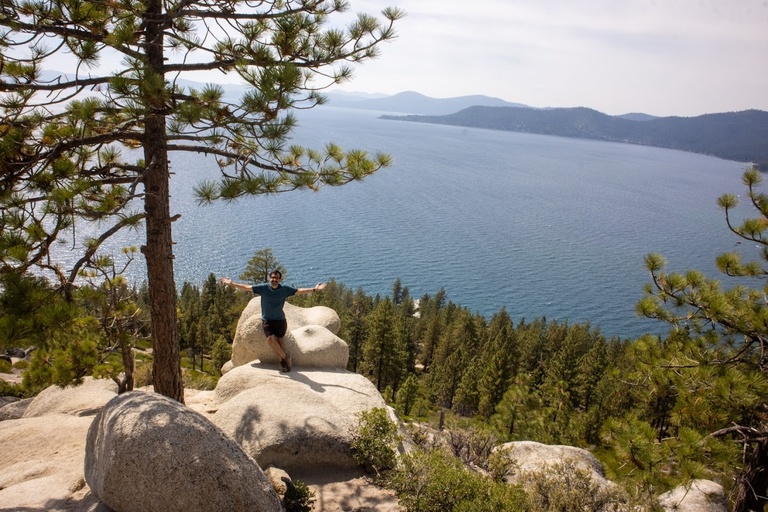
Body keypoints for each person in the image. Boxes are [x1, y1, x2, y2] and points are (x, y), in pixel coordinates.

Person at [221, 270, 326, 372]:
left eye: (276, 278)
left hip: (280, 320)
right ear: (270, 278)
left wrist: (315, 289)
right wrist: (231, 284)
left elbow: (299, 291)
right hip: (267, 319)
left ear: (279, 279)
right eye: (272, 277)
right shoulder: (263, 288)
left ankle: (283, 364)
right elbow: (247, 287)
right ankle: (286, 357)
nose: (274, 279)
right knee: (271, 340)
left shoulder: (284, 289)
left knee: (281, 343)